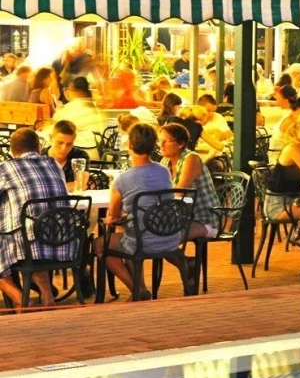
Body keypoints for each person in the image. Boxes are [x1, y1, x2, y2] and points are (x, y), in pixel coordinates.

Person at [98, 123, 179, 301]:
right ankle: (140, 287)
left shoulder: (122, 179)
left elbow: (114, 217)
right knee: (131, 233)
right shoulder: (164, 171)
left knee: (99, 245)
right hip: (169, 236)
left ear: (130, 145)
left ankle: (137, 289)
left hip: (142, 241)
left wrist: (113, 219)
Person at [0, 128, 71, 311]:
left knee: (26, 237)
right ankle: (48, 298)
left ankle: (21, 301)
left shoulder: (6, 168)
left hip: (29, 242)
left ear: (12, 151)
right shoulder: (54, 164)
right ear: (39, 148)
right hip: (63, 240)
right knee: (33, 236)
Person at [158, 123, 220, 241]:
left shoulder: (191, 159)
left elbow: (179, 192)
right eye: (159, 141)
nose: (161, 145)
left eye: (166, 141)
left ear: (181, 143)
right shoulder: (165, 161)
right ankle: (187, 260)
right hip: (182, 214)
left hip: (204, 218)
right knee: (151, 234)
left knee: (163, 238)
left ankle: (186, 260)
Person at [50, 77, 103, 154]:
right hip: (98, 151)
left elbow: (56, 127)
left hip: (78, 151)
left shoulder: (69, 107)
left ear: (77, 91)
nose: (66, 93)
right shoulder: (94, 107)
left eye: (67, 90)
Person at [46, 120, 90, 186]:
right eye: (60, 143)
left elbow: (81, 185)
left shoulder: (80, 156)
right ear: (51, 138)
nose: (64, 148)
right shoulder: (38, 157)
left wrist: (51, 188)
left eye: (69, 144)